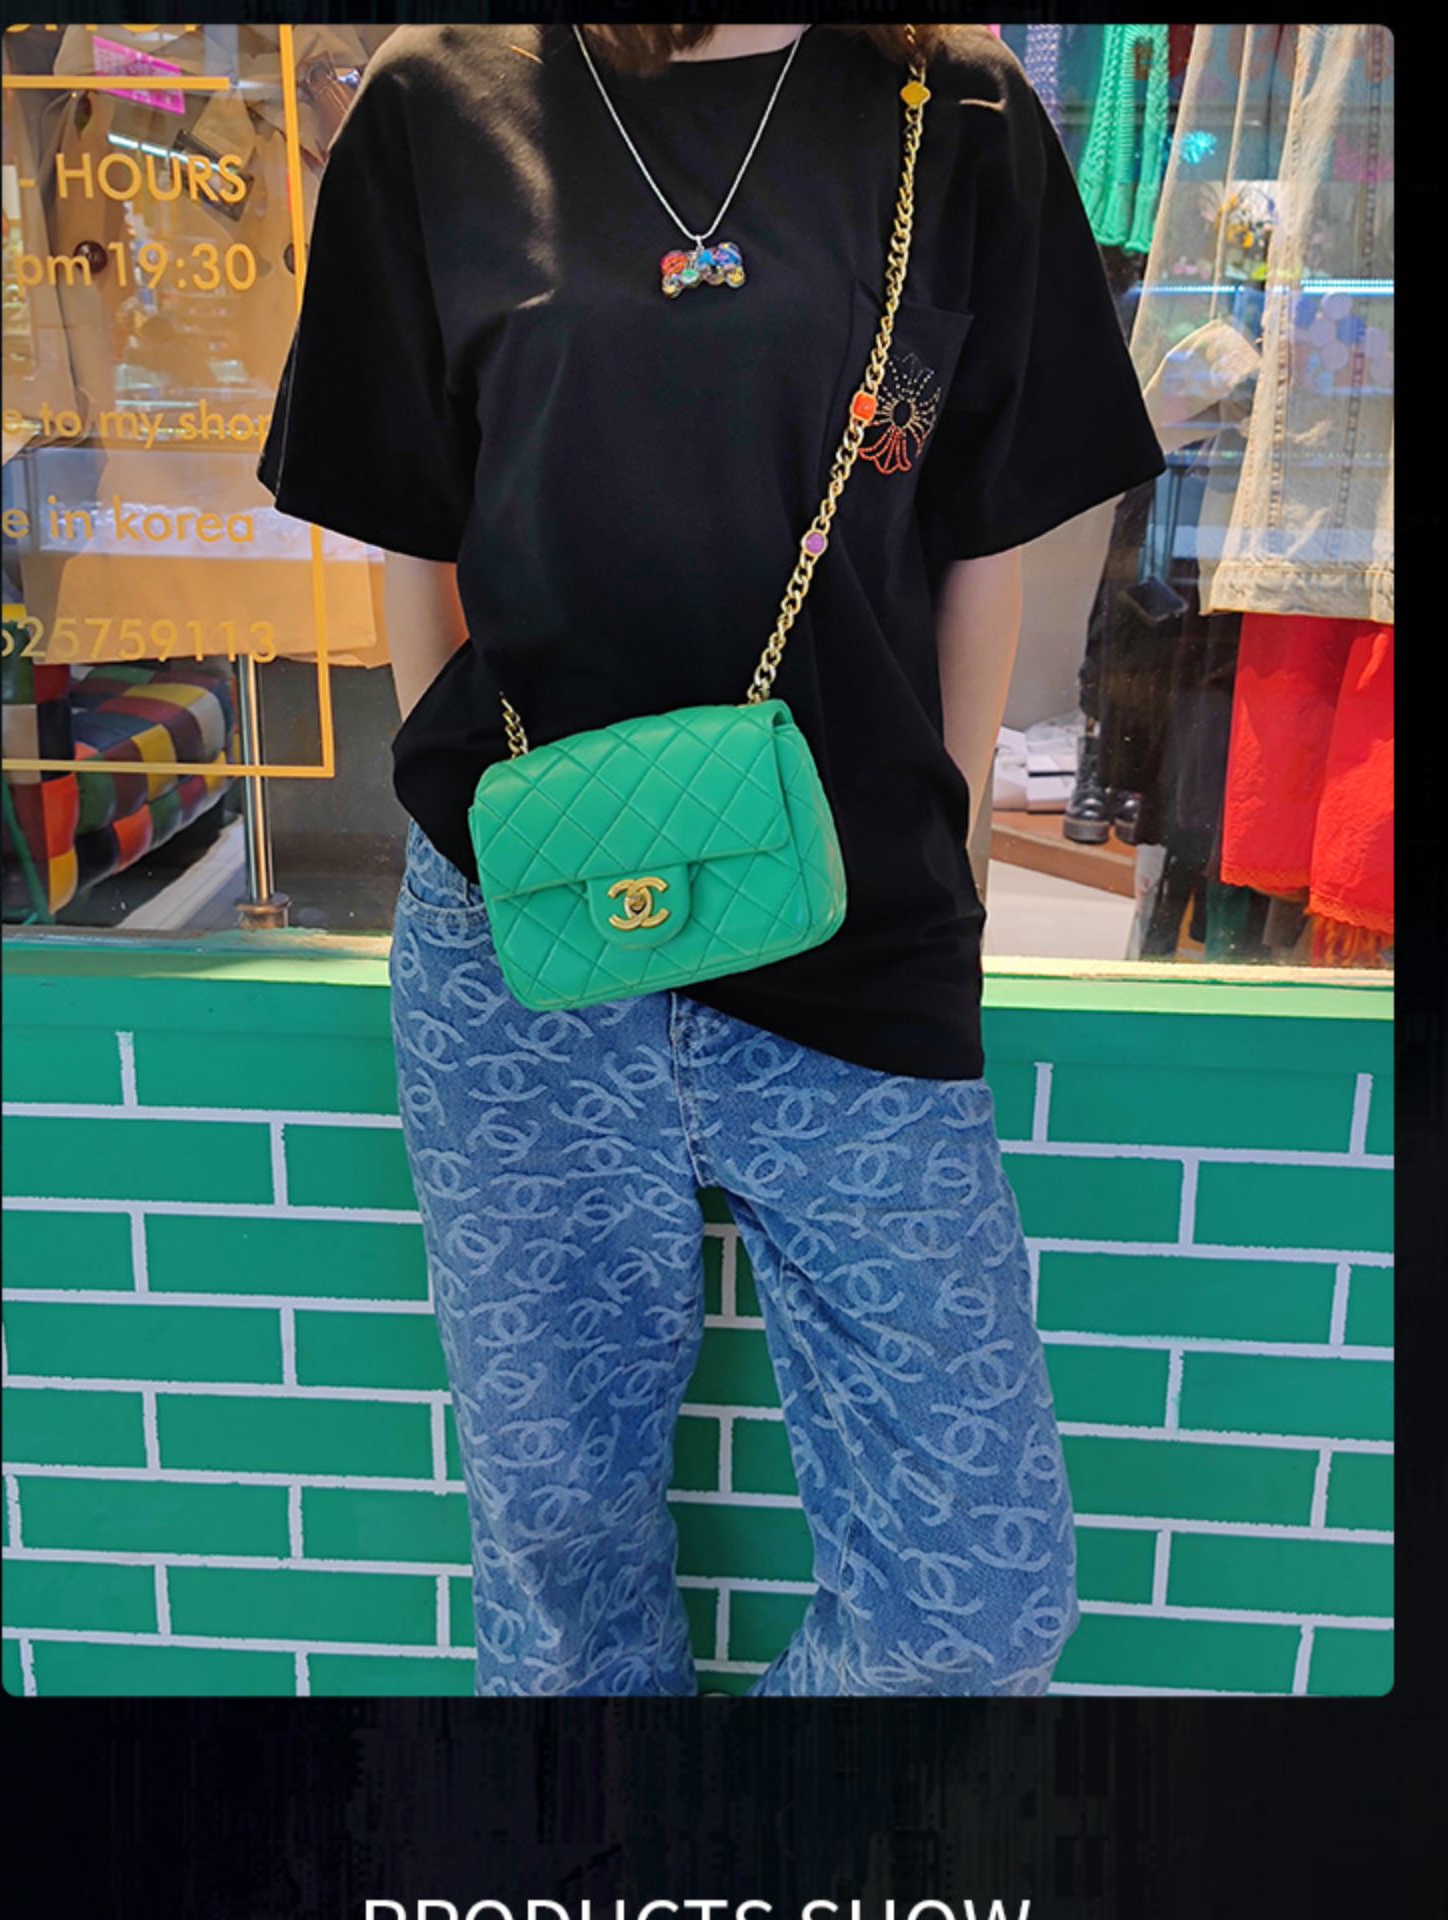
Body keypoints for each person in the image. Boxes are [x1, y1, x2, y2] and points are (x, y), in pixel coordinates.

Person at [256, 21, 1169, 1696]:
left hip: (854, 926)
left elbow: (980, 538)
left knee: (977, 1604)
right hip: (525, 950)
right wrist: (499, 832)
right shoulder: (441, 96)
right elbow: (414, 527)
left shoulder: (954, 107)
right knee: (557, 1552)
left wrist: (944, 850)